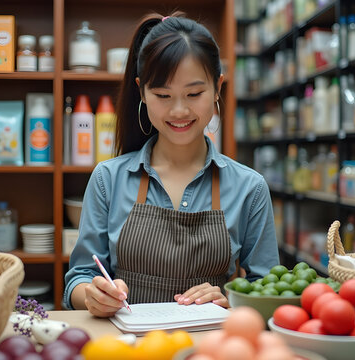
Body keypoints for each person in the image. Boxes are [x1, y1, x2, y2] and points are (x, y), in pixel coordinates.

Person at [64, 11, 279, 318]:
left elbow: (270, 288)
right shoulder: (108, 179)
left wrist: (231, 299)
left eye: (194, 93)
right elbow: (78, 277)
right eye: (163, 94)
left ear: (218, 86)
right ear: (142, 91)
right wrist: (92, 295)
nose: (179, 110)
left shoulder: (250, 188)